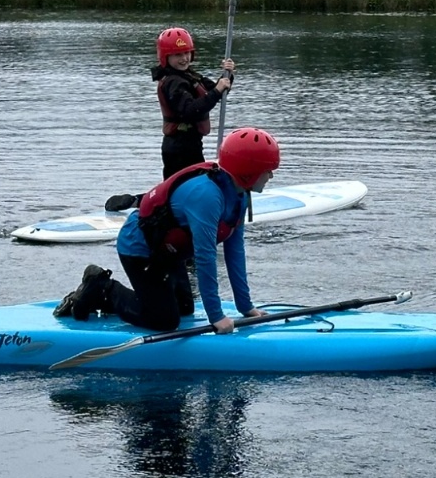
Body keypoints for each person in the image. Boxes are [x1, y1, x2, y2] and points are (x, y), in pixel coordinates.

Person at [54, 127, 281, 333]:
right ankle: (102, 288)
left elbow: (235, 252)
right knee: (165, 321)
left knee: (184, 309)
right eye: (267, 170)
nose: (270, 176)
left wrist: (245, 307)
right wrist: (216, 317)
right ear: (248, 171)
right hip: (140, 248)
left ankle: (107, 301)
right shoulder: (208, 197)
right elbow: (205, 257)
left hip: (169, 252)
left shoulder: (239, 196)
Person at [152, 25, 235, 179]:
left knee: (196, 180)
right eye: (178, 55)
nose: (184, 58)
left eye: (186, 53)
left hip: (191, 144)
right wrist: (217, 90)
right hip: (178, 148)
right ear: (166, 57)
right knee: (184, 184)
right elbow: (190, 110)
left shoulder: (190, 76)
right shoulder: (173, 82)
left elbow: (217, 90)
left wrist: (227, 74)